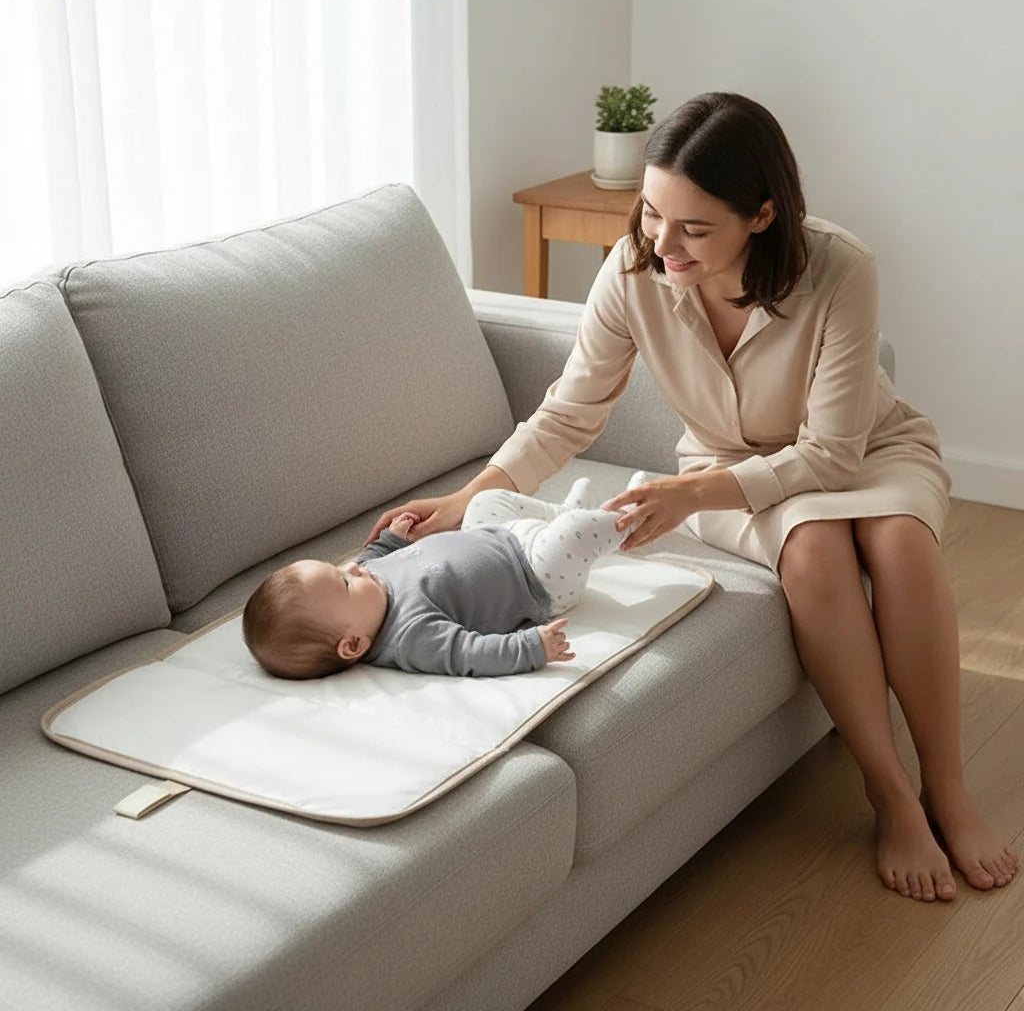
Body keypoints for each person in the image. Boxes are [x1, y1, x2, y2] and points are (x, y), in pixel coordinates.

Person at [366, 92, 1017, 902]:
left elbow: (833, 452)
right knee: (814, 548)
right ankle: (890, 793)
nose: (662, 244)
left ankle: (947, 788)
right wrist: (471, 497)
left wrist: (689, 495)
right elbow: (569, 413)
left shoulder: (841, 269)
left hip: (864, 451)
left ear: (763, 215)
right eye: (651, 214)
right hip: (725, 466)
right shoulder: (632, 269)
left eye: (694, 228)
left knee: (901, 543)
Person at [242, 476, 641, 680]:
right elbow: (470, 654)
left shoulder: (368, 581)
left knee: (485, 500)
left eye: (337, 568)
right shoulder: (411, 637)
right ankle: (630, 519)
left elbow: (373, 556)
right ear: (353, 644)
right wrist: (532, 648)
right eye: (343, 582)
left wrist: (391, 539)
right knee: (572, 535)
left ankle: (561, 512)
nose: (351, 568)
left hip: (497, 535)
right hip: (538, 578)